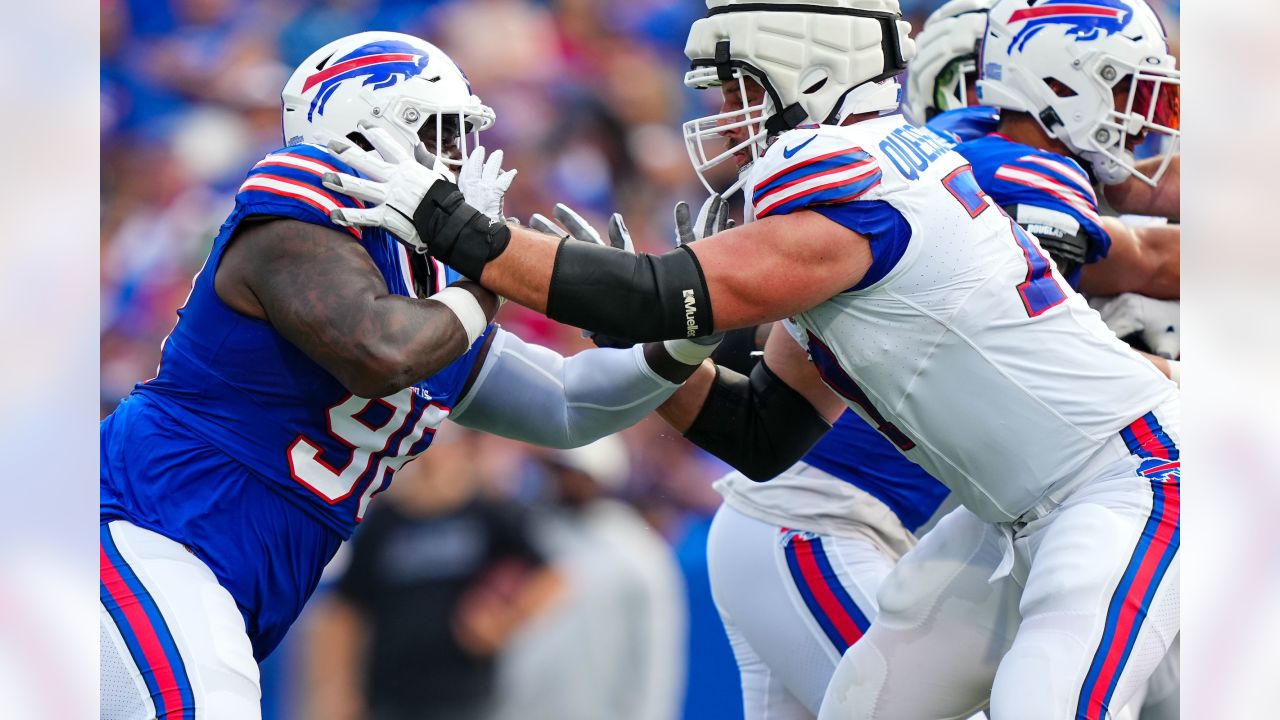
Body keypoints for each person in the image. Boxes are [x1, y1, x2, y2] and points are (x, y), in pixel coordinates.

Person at [323, 1, 1181, 717]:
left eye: (735, 86)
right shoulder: (868, 183)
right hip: (1009, 514)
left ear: (801, 69)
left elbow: (659, 290)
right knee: (867, 705)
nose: (717, 113)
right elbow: (763, 432)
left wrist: (456, 228)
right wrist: (641, 344)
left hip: (1130, 477)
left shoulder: (853, 182)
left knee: (1051, 702)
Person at [99, 31, 718, 720]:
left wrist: (683, 344)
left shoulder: (432, 296)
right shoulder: (296, 213)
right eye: (436, 130)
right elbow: (381, 351)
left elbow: (569, 406)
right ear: (359, 132)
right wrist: (491, 272)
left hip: (214, 570)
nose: (455, 157)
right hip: (141, 532)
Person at [305, 425, 562, 720]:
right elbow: (347, 611)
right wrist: (337, 692)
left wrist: (501, 624)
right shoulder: (385, 522)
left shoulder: (488, 513)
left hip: (464, 696)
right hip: (390, 695)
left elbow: (554, 577)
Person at [491, 436, 687, 720]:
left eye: (578, 473)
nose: (567, 481)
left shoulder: (637, 551)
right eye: (561, 470)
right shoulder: (524, 533)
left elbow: (657, 653)